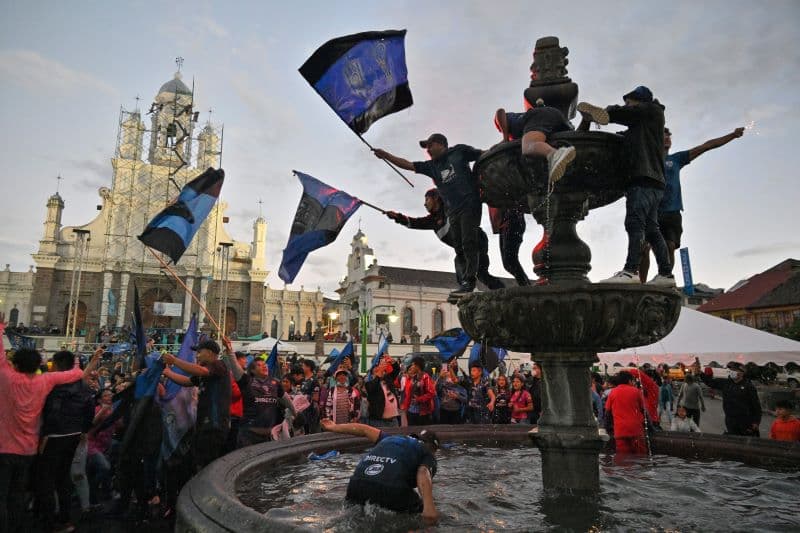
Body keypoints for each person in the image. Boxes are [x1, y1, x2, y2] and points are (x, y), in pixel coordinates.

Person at [0, 314, 89, 533]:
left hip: (4, 449)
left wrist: (1, 327)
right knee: (18, 494)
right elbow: (76, 373)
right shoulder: (44, 381)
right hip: (28, 450)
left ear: (16, 364)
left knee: (2, 496)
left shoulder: (6, 378)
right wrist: (76, 354)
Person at [578, 87, 675, 286]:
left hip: (642, 178)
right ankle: (666, 274)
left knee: (634, 223)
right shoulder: (641, 128)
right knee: (651, 229)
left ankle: (631, 270)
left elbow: (622, 114)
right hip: (653, 182)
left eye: (629, 103)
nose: (626, 107)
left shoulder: (651, 111)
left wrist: (606, 112)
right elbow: (616, 140)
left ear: (639, 101)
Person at [374, 134, 485, 295]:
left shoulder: (459, 151)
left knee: (468, 241)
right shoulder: (431, 166)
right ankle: (466, 284)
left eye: (430, 146)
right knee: (459, 248)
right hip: (454, 210)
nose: (428, 150)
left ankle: (469, 282)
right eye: (426, 148)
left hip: (470, 204)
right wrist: (386, 156)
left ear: (441, 144)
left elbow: (482, 154)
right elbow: (407, 164)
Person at [639, 126, 746, 282]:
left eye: (669, 134)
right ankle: (641, 283)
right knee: (644, 247)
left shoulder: (676, 159)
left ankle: (664, 277)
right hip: (651, 210)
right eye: (663, 135)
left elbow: (707, 146)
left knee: (669, 246)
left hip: (672, 212)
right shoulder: (648, 159)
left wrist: (733, 135)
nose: (668, 137)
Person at [320, 419, 439, 525]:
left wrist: (334, 427)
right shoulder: (427, 453)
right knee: (420, 517)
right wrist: (429, 510)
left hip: (357, 483)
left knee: (352, 516)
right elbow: (423, 472)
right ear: (434, 449)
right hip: (391, 488)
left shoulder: (390, 438)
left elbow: (363, 429)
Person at [386, 188, 504, 291]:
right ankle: (500, 288)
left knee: (460, 259)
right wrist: (397, 217)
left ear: (436, 198)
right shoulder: (432, 221)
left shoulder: (450, 207)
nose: (424, 204)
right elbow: (414, 222)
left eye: (427, 199)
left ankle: (465, 285)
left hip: (476, 239)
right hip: (466, 245)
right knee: (481, 274)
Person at [36, 350, 97, 532]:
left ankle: (48, 521)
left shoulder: (55, 385)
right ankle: (65, 518)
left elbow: (53, 410)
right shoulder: (83, 386)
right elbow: (89, 410)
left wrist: (46, 433)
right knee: (63, 478)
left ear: (58, 364)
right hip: (74, 435)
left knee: (46, 479)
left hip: (55, 436)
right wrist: (83, 430)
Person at [162, 339, 232, 470]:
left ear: (210, 353)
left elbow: (202, 371)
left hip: (214, 426)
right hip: (204, 426)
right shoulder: (205, 373)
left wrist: (175, 361)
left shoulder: (218, 365)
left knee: (208, 466)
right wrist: (168, 373)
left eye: (200, 352)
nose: (197, 355)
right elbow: (188, 381)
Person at [494, 100, 576, 184]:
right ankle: (586, 121)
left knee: (528, 147)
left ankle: (555, 155)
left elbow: (500, 111)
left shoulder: (511, 123)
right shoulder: (526, 134)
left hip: (537, 116)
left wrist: (505, 138)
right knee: (574, 142)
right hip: (557, 115)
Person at [699, 363, 761, 436]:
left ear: (741, 372)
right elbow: (711, 382)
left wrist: (756, 422)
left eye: (734, 370)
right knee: (733, 442)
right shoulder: (726, 383)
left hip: (746, 422)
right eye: (731, 370)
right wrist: (700, 373)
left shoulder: (749, 386)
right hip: (730, 421)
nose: (731, 371)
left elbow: (756, 406)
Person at [605, 371, 647, 454]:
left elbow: (607, 412)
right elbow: (643, 410)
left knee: (623, 458)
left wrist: (608, 427)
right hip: (636, 429)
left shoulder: (613, 392)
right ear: (629, 381)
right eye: (632, 380)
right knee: (641, 457)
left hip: (620, 430)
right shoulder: (636, 391)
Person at [488, 206, 530, 286]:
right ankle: (525, 285)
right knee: (508, 262)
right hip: (505, 223)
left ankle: (525, 286)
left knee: (509, 260)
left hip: (511, 220)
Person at [365, 356, 401, 427]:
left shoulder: (388, 379)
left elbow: (396, 370)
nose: (380, 372)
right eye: (376, 372)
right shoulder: (369, 384)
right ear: (372, 375)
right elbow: (372, 387)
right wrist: (379, 373)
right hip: (380, 421)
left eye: (382, 371)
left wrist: (393, 362)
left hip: (393, 420)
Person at [401, 357, 436, 426]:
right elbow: (408, 393)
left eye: (413, 365)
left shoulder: (426, 377)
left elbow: (431, 393)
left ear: (417, 366)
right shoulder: (413, 377)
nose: (412, 366)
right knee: (412, 432)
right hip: (411, 411)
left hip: (422, 412)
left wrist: (418, 399)